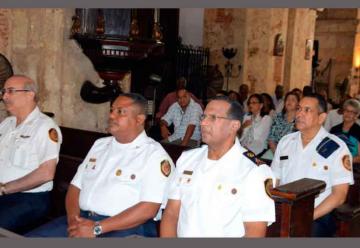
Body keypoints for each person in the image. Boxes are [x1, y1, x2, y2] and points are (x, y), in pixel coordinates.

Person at [26, 93, 174, 237]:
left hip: (126, 227)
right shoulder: (100, 145)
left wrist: (97, 228)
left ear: (139, 119)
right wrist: (73, 221)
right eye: (111, 110)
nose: (111, 116)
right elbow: (75, 187)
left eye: (120, 112)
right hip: (81, 219)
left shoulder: (154, 155)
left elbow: (148, 209)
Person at [160, 96, 275, 237]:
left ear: (234, 126)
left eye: (213, 117)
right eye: (203, 116)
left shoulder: (254, 170)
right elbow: (171, 214)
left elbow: (254, 233)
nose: (203, 123)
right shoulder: (187, 159)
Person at [271, 93, 354, 237]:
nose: (299, 114)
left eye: (307, 110)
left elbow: (339, 195)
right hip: (283, 211)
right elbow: (274, 179)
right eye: (299, 109)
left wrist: (306, 218)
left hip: (317, 215)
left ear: (321, 117)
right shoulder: (286, 142)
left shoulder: (336, 147)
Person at [0, 75, 62, 233]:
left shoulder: (45, 127)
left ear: (30, 94)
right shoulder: (7, 124)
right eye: (3, 91)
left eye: (11, 91)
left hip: (28, 198)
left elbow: (46, 174)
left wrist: (5, 189)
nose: (4, 96)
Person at [330, 99, 360, 163]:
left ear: (356, 115)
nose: (348, 114)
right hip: (333, 165)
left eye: (352, 112)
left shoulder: (358, 131)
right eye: (346, 110)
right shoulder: (334, 129)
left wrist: (343, 162)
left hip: (353, 168)